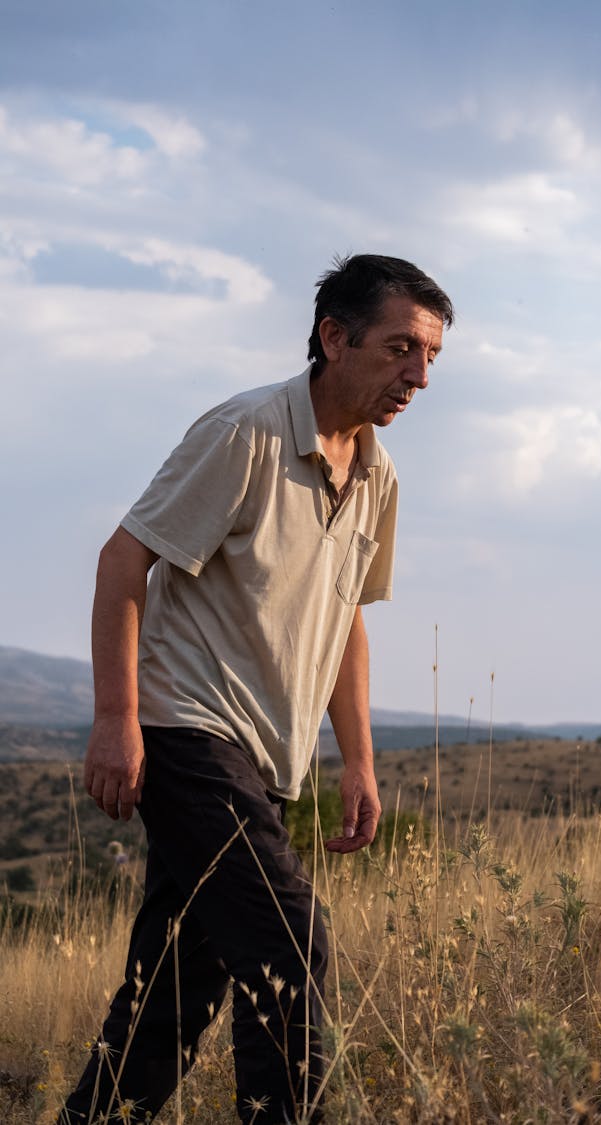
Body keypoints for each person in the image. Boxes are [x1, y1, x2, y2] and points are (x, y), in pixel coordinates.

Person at [58, 253, 453, 1125]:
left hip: (267, 760)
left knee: (171, 994)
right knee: (291, 944)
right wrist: (117, 720)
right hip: (187, 732)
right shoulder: (247, 434)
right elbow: (124, 560)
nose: (419, 377)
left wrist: (358, 761)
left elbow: (347, 615)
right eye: (399, 349)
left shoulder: (378, 476)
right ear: (333, 337)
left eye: (430, 355)